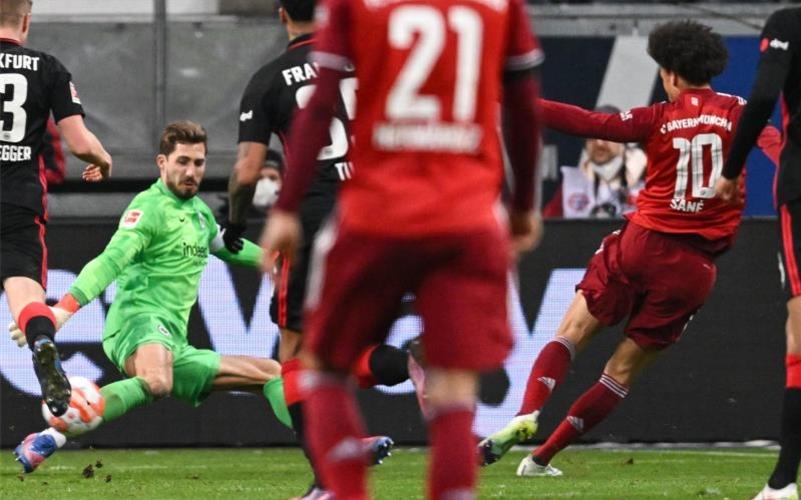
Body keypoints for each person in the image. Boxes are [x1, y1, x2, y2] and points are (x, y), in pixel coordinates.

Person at [260, 0, 545, 494]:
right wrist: (523, 206)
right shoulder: (500, 6)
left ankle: (342, 490)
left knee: (318, 365)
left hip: (375, 213)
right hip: (466, 216)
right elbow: (522, 109)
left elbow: (320, 106)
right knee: (454, 386)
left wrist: (286, 207)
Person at [478, 20, 782, 477]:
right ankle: (541, 459)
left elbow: (587, 122)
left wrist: (513, 100)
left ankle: (527, 411)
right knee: (620, 372)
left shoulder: (657, 116)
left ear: (671, 74)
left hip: (640, 244)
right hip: (694, 268)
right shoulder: (741, 112)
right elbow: (778, 148)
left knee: (571, 332)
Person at [10, 121, 290, 473]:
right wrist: (63, 310)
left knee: (271, 372)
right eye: (182, 161)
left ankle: (323, 445)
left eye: (198, 163)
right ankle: (61, 425)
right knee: (158, 380)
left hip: (173, 342)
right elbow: (110, 261)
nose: (191, 172)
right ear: (162, 162)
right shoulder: (148, 209)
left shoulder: (200, 214)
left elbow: (228, 247)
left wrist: (278, 260)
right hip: (136, 322)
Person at [227, 3, 413, 495]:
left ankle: (327, 482)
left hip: (315, 222)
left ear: (281, 15)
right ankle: (406, 364)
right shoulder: (368, 62)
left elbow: (247, 171)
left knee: (294, 353)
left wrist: (236, 221)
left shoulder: (269, 79)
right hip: (377, 214)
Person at [1, 0, 113, 417]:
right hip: (19, 200)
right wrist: (103, 160)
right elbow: (79, 143)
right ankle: (42, 342)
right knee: (26, 295)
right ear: (27, 20)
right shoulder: (47, 68)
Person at [713, 8, 801, 500]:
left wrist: (730, 169)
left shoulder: (789, 23)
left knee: (800, 335)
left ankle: (784, 481)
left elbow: (765, 94)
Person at [543, 106, 647, 219]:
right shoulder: (571, 183)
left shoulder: (646, 183)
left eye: (607, 136)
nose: (599, 143)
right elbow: (548, 225)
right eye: (592, 136)